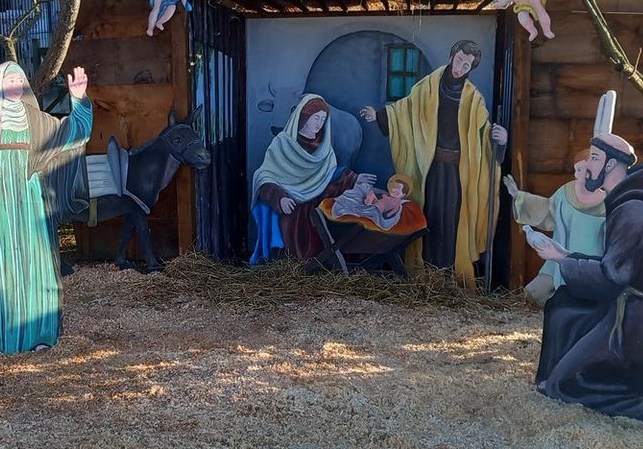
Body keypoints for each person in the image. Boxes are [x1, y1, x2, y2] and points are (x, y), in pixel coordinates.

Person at [532, 133, 643, 432]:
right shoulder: (627, 204)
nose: (587, 167)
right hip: (627, 311)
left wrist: (563, 260)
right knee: (563, 305)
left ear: (611, 164)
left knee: (564, 386)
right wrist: (564, 255)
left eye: (594, 158)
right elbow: (614, 267)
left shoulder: (632, 211)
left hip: (631, 325)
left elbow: (612, 276)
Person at [0, 62, 92, 354]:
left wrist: (79, 100)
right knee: (9, 266)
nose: (14, 87)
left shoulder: (37, 121)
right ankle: (10, 341)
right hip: (2, 202)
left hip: (32, 196)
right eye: (8, 81)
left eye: (18, 81)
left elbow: (75, 133)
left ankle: (44, 335)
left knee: (40, 263)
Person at [360, 40, 506, 286]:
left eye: (466, 65)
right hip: (428, 171)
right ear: (451, 57)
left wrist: (499, 140)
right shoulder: (427, 86)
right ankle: (422, 274)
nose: (459, 68)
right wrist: (380, 116)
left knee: (452, 222)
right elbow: (405, 110)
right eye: (458, 61)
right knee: (427, 217)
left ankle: (450, 276)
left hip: (458, 174)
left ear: (471, 69)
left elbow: (484, 136)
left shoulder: (474, 99)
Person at [250, 94, 374, 263]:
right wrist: (280, 198)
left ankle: (333, 260)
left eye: (323, 119)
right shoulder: (282, 143)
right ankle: (300, 265)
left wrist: (354, 178)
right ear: (304, 116)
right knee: (295, 221)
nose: (319, 123)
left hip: (317, 198)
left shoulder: (323, 147)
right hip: (292, 203)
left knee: (344, 211)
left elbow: (329, 173)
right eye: (316, 118)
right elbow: (264, 177)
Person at [506, 150, 606, 306]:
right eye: (576, 169)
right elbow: (547, 209)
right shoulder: (566, 193)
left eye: (581, 170)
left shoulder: (608, 201)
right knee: (530, 296)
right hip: (556, 264)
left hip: (588, 267)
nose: (576, 175)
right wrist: (518, 196)